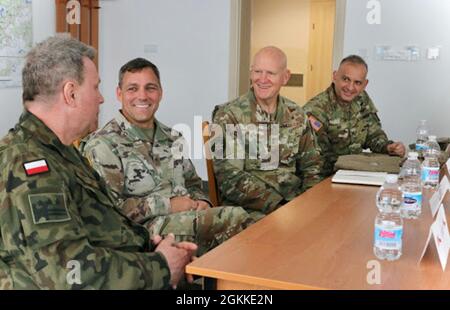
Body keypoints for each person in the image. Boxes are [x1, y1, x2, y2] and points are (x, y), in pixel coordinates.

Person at [0, 36, 197, 289]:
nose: (101, 99)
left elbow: (104, 227)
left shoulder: (61, 152)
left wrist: (155, 247)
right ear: (70, 93)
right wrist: (160, 266)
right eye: (95, 88)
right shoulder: (29, 166)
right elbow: (68, 271)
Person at [80, 58, 252, 256]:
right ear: (119, 94)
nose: (142, 96)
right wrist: (169, 205)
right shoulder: (103, 145)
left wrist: (202, 201)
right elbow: (107, 213)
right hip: (140, 234)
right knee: (235, 218)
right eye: (132, 89)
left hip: (184, 221)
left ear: (160, 93)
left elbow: (194, 183)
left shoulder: (172, 137)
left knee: (242, 227)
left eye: (150, 88)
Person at [211, 46, 323, 217]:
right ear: (251, 73)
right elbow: (229, 177)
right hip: (250, 210)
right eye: (257, 71)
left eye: (270, 73)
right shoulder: (229, 115)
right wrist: (278, 205)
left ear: (285, 77)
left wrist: (309, 205)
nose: (262, 79)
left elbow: (311, 167)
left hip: (292, 204)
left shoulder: (297, 115)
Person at [303, 55, 406, 177]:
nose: (350, 88)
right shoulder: (315, 110)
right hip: (326, 177)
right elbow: (310, 162)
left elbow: (373, 134)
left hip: (354, 172)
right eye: (346, 79)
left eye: (357, 82)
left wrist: (388, 147)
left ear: (365, 84)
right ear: (335, 76)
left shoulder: (361, 99)